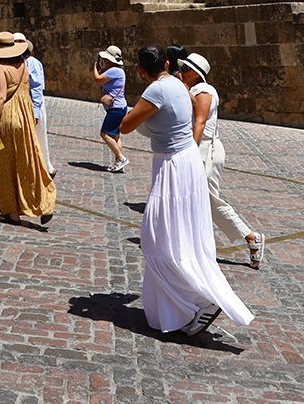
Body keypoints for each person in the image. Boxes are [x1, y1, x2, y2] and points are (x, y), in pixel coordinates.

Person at [120, 45, 253, 335]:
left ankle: (200, 299)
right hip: (186, 159)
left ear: (141, 70)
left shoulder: (156, 91)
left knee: (158, 239)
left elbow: (126, 125)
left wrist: (117, 105)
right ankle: (185, 308)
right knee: (182, 235)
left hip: (172, 165)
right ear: (167, 64)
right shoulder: (179, 85)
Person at [177, 53, 265, 269]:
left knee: (208, 200)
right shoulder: (193, 90)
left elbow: (199, 122)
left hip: (205, 150)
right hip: (202, 148)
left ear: (196, 73)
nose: (181, 72)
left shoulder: (204, 91)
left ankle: (251, 237)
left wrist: (190, 150)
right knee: (192, 199)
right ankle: (192, 244)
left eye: (185, 69)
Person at [0, 31, 57, 226]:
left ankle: (11, 212)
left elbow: (0, 97)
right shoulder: (23, 63)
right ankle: (45, 202)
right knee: (28, 160)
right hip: (24, 115)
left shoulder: (0, 68)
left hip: (7, 119)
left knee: (4, 166)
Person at [16, 31, 54, 179]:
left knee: (36, 138)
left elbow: (36, 88)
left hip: (33, 105)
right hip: (26, 104)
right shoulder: (22, 62)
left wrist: (35, 111)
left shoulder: (31, 63)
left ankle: (42, 169)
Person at [92, 45, 128, 172]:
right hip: (121, 107)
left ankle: (121, 158)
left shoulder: (114, 71)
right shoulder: (118, 71)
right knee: (115, 136)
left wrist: (95, 67)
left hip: (115, 109)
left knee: (105, 133)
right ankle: (119, 162)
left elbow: (98, 79)